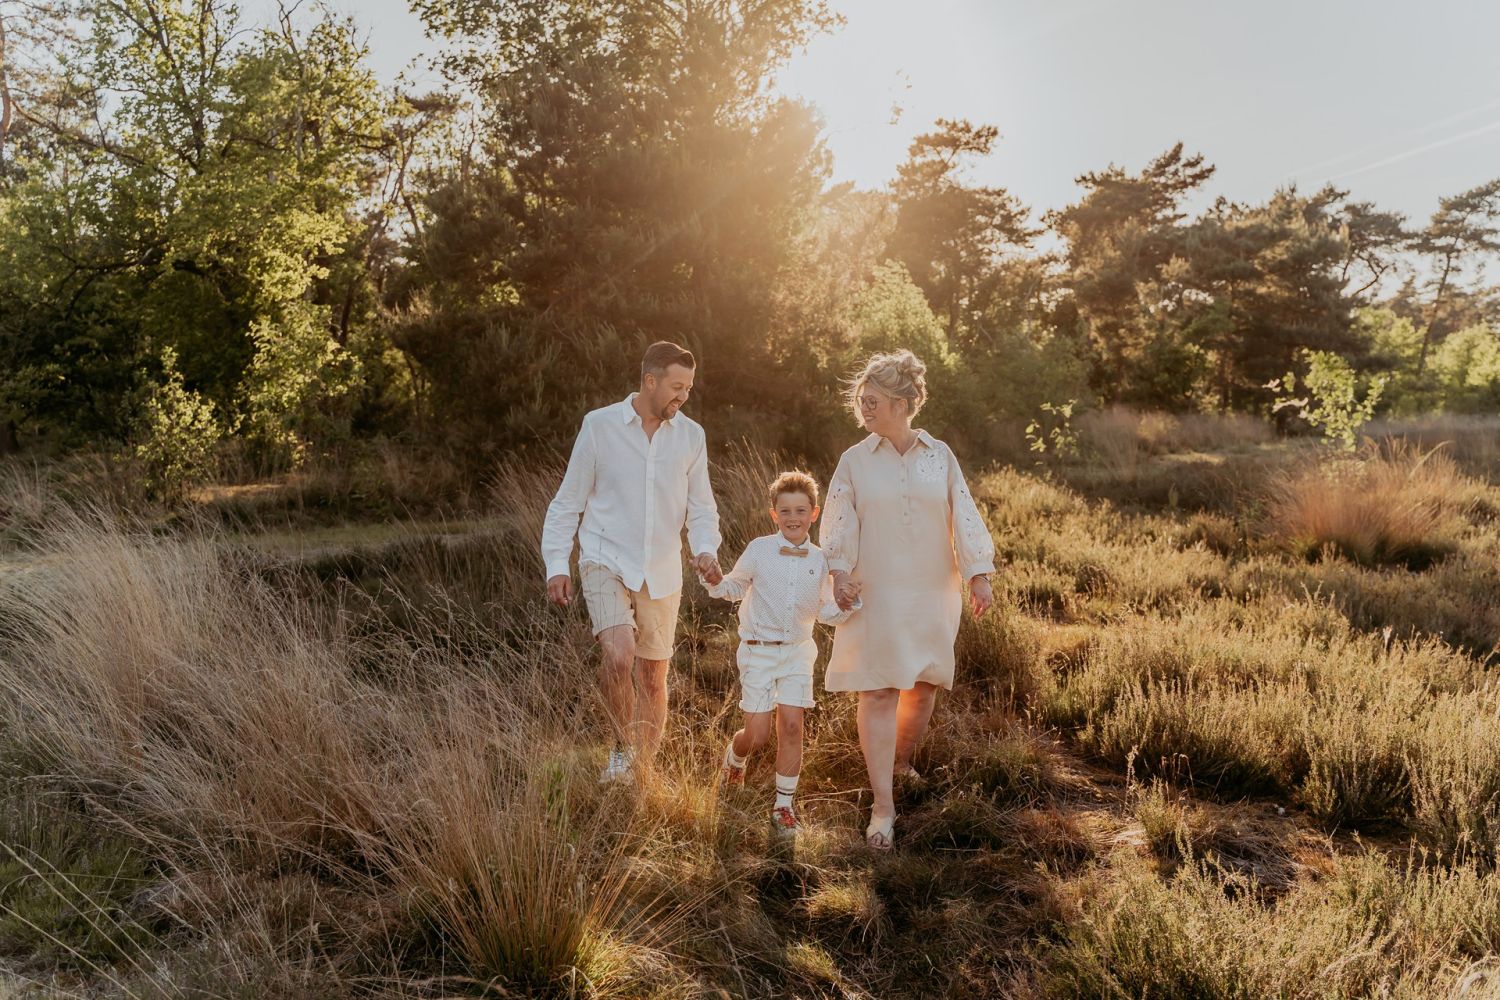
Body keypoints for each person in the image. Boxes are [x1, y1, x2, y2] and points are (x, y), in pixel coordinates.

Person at [820, 350, 997, 849]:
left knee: (921, 687)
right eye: (861, 399)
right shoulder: (853, 460)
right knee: (878, 690)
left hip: (931, 589)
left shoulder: (939, 455)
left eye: (872, 400)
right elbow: (838, 519)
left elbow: (962, 511)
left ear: (902, 403)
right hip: (874, 590)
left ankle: (900, 763)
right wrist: (838, 571)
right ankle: (882, 805)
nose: (863, 408)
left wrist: (978, 572)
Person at [541, 341, 723, 784]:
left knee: (653, 676)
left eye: (689, 388)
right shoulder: (600, 426)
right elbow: (568, 502)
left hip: (662, 569)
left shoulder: (690, 436)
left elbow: (702, 508)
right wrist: (557, 564)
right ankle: (621, 753)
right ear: (650, 381)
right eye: (676, 386)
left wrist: (705, 549)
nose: (683, 396)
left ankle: (644, 768)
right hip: (605, 557)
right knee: (620, 657)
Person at [701, 471, 860, 834]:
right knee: (756, 735)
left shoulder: (821, 561)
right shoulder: (759, 549)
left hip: (798, 652)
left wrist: (847, 602)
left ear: (814, 514)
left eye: (800, 511)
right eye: (785, 511)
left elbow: (825, 611)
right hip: (757, 651)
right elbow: (734, 586)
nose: (793, 518)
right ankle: (735, 757)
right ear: (774, 514)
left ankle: (783, 807)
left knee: (791, 725)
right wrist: (714, 580)